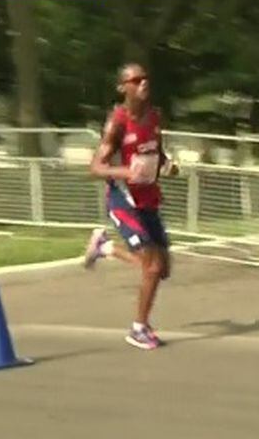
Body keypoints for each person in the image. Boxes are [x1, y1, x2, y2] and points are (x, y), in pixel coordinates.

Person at [83, 63, 178, 350]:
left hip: (148, 200)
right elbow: (95, 167)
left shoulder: (154, 117)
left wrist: (168, 165)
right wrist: (124, 172)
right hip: (124, 201)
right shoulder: (118, 122)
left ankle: (106, 248)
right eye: (135, 80)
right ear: (123, 87)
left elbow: (157, 153)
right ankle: (139, 329)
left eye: (145, 78)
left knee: (162, 269)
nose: (143, 83)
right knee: (153, 266)